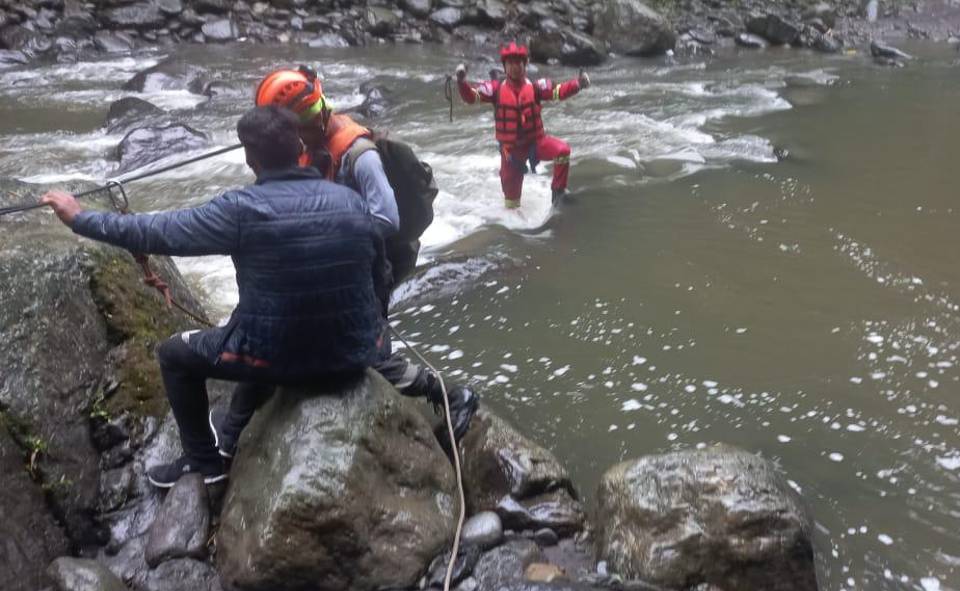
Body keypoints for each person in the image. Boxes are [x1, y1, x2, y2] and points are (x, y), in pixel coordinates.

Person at [41, 106, 388, 487]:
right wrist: (371, 338)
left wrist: (80, 218)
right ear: (301, 147)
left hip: (276, 359)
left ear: (250, 159)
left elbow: (157, 231)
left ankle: (204, 463)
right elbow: (380, 276)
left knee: (174, 354)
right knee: (260, 319)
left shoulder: (240, 209)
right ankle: (232, 435)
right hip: (356, 355)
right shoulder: (351, 200)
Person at [252, 66, 477, 456]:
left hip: (369, 269)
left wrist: (331, 239)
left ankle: (451, 394)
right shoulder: (308, 147)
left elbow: (387, 217)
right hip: (336, 270)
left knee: (369, 355)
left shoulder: (359, 155)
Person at [456, 41, 591, 209]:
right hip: (510, 152)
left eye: (518, 63)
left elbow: (558, 92)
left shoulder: (535, 87)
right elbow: (471, 97)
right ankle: (513, 220)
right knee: (511, 204)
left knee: (562, 151)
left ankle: (558, 193)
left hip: (535, 143)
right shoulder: (496, 89)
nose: (515, 67)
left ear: (525, 65)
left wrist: (578, 84)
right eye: (510, 63)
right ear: (505, 67)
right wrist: (461, 82)